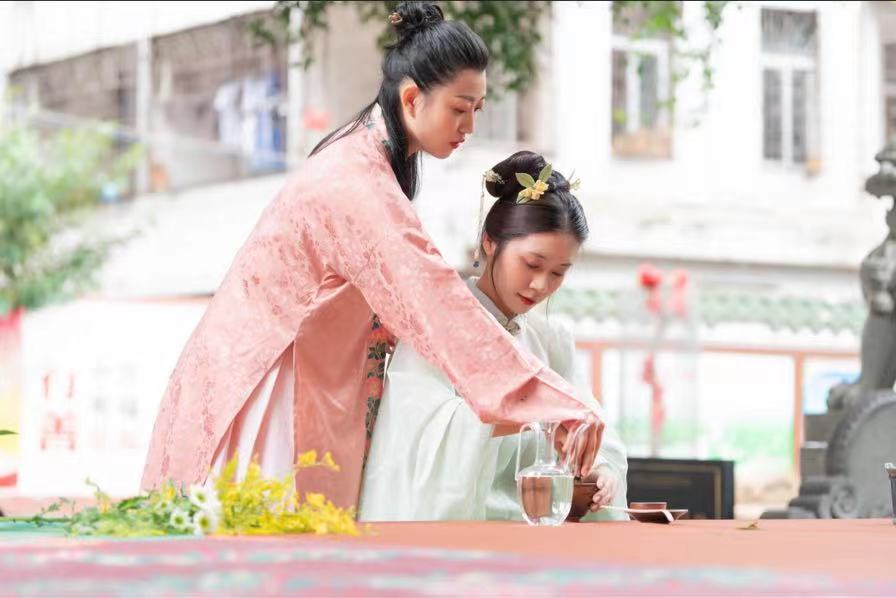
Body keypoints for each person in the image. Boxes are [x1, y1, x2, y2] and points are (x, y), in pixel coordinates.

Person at [142, 2, 601, 510]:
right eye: (459, 108)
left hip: (297, 372)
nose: (469, 125)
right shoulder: (356, 181)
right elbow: (434, 301)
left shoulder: (364, 158)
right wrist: (552, 403)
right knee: (265, 541)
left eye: (478, 109)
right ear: (412, 98)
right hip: (271, 384)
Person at [359, 151, 628, 521]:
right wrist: (534, 412)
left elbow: (593, 428)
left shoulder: (550, 341)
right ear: (489, 242)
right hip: (464, 530)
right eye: (532, 264)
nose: (541, 285)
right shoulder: (437, 325)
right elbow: (416, 437)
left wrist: (599, 470)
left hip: (535, 527)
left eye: (558, 273)